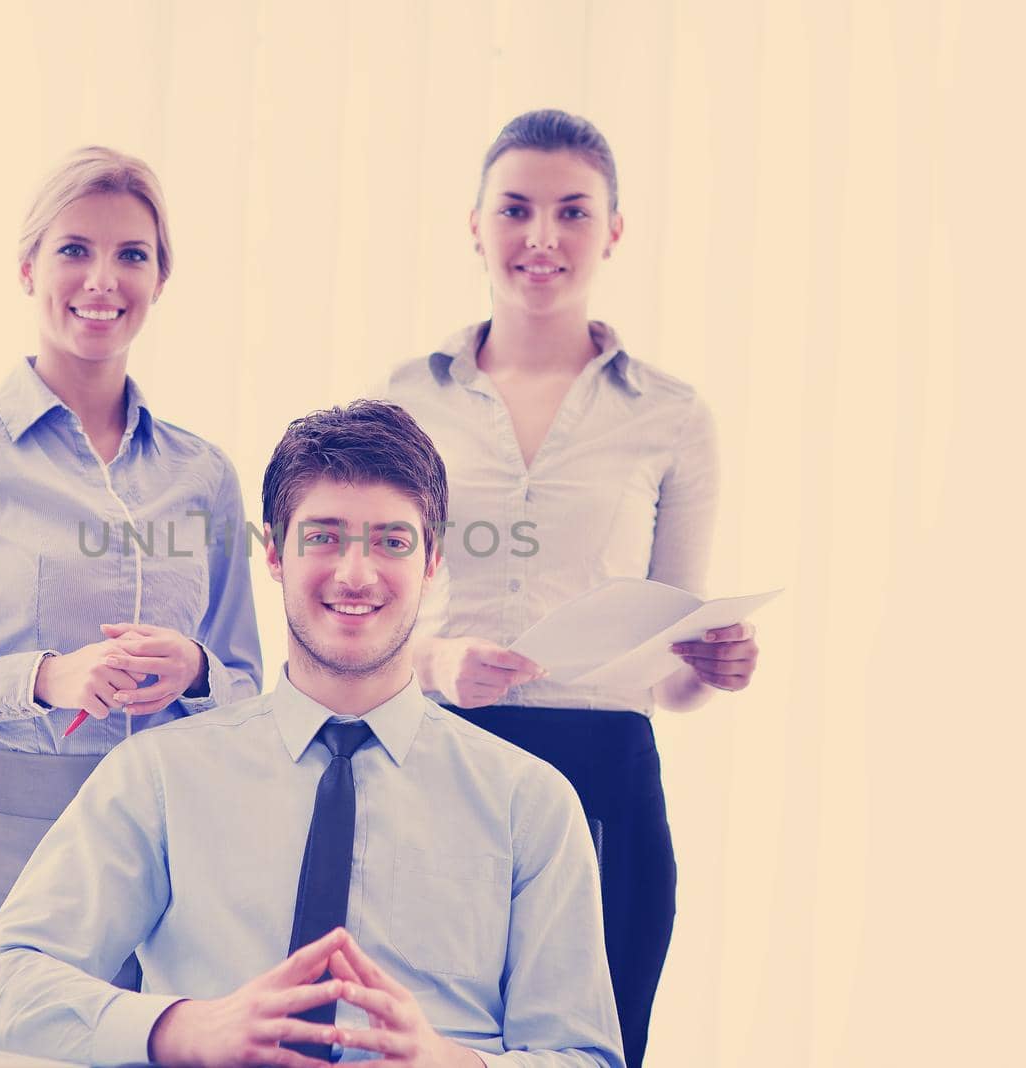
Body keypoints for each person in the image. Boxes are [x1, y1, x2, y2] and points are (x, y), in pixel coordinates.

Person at [0, 401, 624, 1068]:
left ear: (433, 561)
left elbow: (584, 1055)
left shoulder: (528, 803)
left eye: (392, 541)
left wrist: (455, 1066)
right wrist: (187, 1029)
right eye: (324, 536)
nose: (356, 574)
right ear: (274, 553)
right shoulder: (159, 774)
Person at [0, 146, 263, 1041]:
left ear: (161, 277)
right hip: (9, 841)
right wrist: (43, 679)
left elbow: (245, 685)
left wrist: (193, 666)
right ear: (28, 266)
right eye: (74, 249)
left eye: (132, 255)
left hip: (170, 847)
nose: (102, 279)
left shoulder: (206, 474)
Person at [381, 110, 762, 1067]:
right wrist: (436, 661)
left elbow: (667, 673)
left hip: (605, 776)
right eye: (515, 209)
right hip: (441, 762)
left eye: (572, 212)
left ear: (613, 232)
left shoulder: (672, 417)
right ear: (474, 223)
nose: (541, 237)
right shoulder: (406, 399)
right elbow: (365, 615)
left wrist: (708, 667)